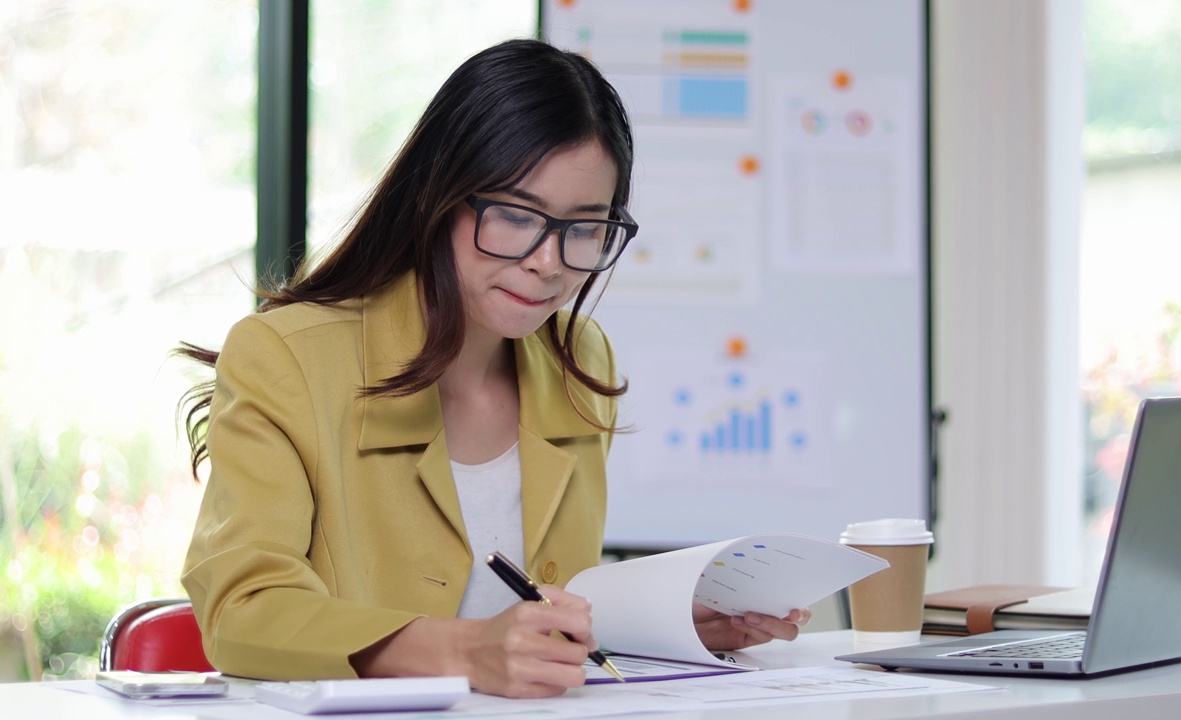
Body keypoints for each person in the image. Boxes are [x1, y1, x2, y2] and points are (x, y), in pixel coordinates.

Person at [177, 38, 809, 699]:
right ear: (437, 195)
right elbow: (242, 612)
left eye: (584, 227)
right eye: (515, 215)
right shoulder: (285, 357)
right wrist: (465, 651)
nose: (549, 261)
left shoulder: (579, 359)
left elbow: (534, 620)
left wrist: (661, 626)